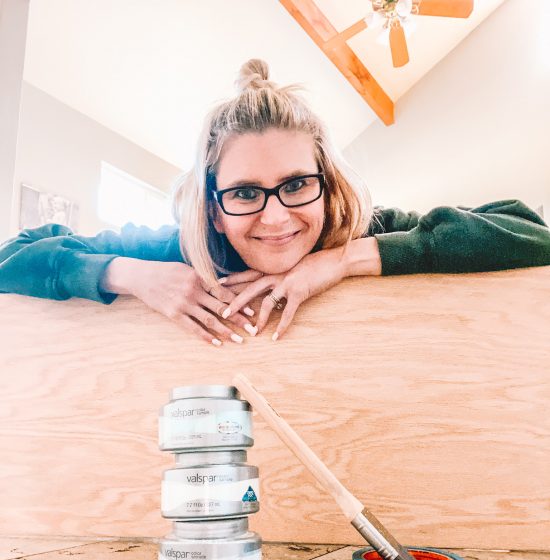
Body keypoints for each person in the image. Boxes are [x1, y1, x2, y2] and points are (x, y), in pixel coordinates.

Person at [1, 59, 549, 345]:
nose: (276, 216)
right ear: (213, 206)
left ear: (327, 183)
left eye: (294, 184)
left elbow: (528, 231)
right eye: (243, 193)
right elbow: (14, 256)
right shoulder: (178, 248)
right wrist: (130, 275)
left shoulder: (363, 229)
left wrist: (340, 260)